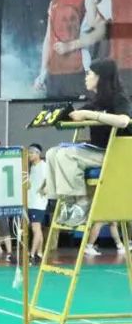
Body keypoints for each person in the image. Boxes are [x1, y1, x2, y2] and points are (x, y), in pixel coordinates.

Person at [47, 58, 131, 227]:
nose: (85, 77)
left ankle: (82, 201)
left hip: (115, 154)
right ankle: (65, 201)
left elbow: (123, 121)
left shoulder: (119, 98)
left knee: (66, 155)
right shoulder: (95, 102)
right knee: (51, 153)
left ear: (100, 77)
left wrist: (90, 115)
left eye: (89, 74)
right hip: (98, 151)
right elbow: (75, 116)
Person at [35, 0, 91, 98]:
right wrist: (42, 72)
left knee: (80, 113)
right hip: (54, 74)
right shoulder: (55, 0)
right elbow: (48, 39)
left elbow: (96, 36)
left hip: (78, 72)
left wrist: (71, 46)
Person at [27, 144, 49, 263]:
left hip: (38, 202)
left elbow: (49, 180)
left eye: (31, 153)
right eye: (28, 153)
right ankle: (39, 253)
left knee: (36, 228)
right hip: (31, 202)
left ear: (38, 153)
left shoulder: (43, 166)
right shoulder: (32, 167)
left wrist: (42, 190)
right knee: (36, 228)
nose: (29, 155)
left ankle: (32, 254)